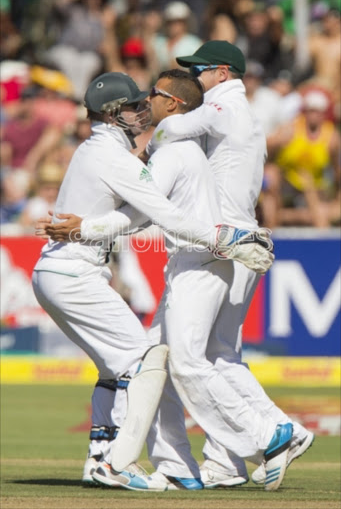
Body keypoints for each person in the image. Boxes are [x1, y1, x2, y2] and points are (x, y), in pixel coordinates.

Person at [41, 70, 292, 493]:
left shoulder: (140, 150)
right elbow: (157, 216)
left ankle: (113, 459)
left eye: (147, 101)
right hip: (82, 272)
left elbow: (139, 218)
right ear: (113, 114)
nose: (143, 110)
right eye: (135, 105)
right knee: (148, 362)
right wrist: (226, 239)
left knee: (135, 367)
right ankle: (130, 464)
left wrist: (85, 228)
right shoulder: (125, 154)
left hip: (85, 270)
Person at [137, 41, 314, 488]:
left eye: (199, 71)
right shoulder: (242, 112)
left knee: (195, 357)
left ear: (221, 73)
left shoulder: (222, 105)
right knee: (222, 355)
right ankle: (225, 462)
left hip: (223, 241)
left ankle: (274, 435)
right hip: (240, 237)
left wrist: (149, 142)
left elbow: (168, 129)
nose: (193, 80)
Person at [262, 89, 341, 228]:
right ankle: (271, 231)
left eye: (318, 111)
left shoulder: (331, 137)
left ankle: (322, 240)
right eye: (310, 111)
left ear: (324, 114)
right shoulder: (290, 129)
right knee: (271, 174)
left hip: (315, 184)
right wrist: (277, 142)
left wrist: (336, 195)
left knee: (312, 192)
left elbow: (336, 169)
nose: (314, 116)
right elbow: (264, 148)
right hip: (287, 180)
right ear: (304, 112)